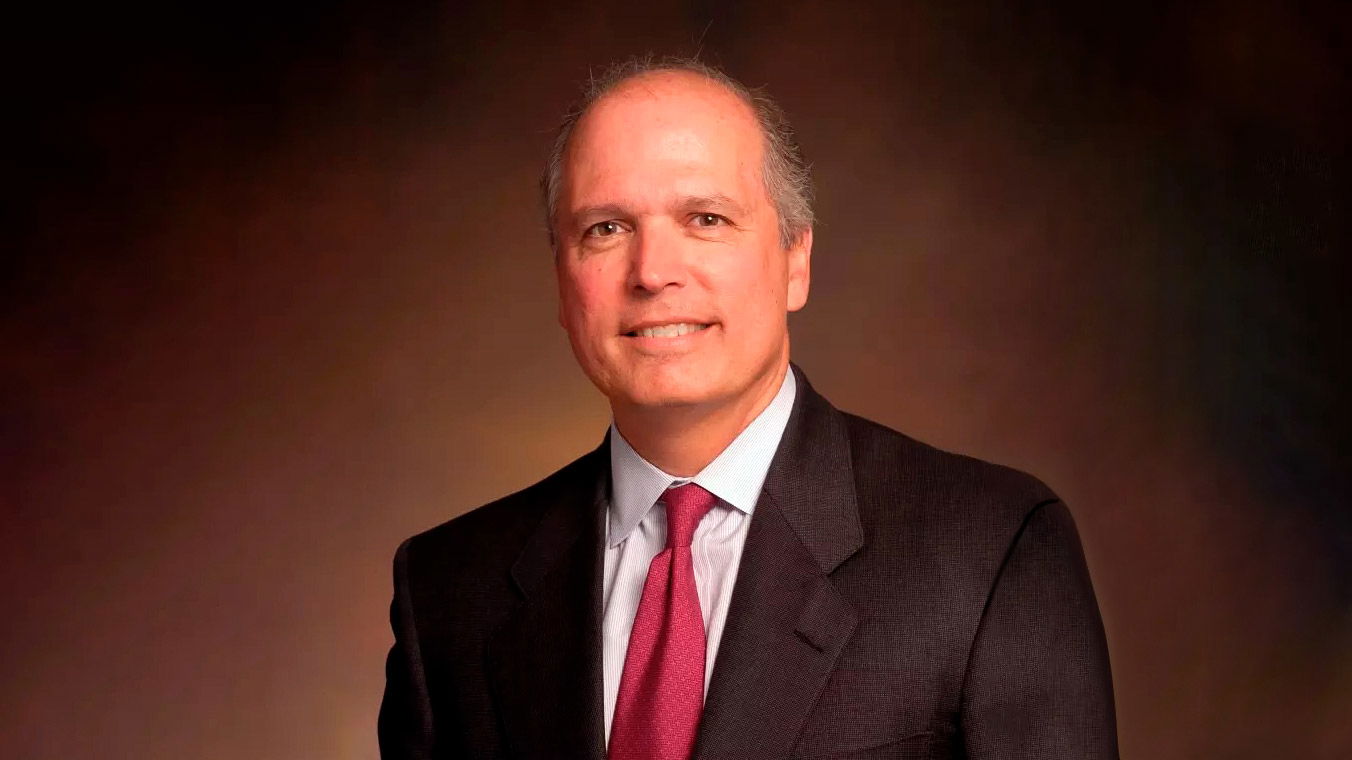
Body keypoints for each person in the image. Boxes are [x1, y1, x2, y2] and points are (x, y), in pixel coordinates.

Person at [378, 57, 1117, 760]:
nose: (653, 272)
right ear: (562, 283)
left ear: (797, 260)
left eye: (705, 218)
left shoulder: (991, 547)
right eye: (605, 228)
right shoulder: (448, 590)